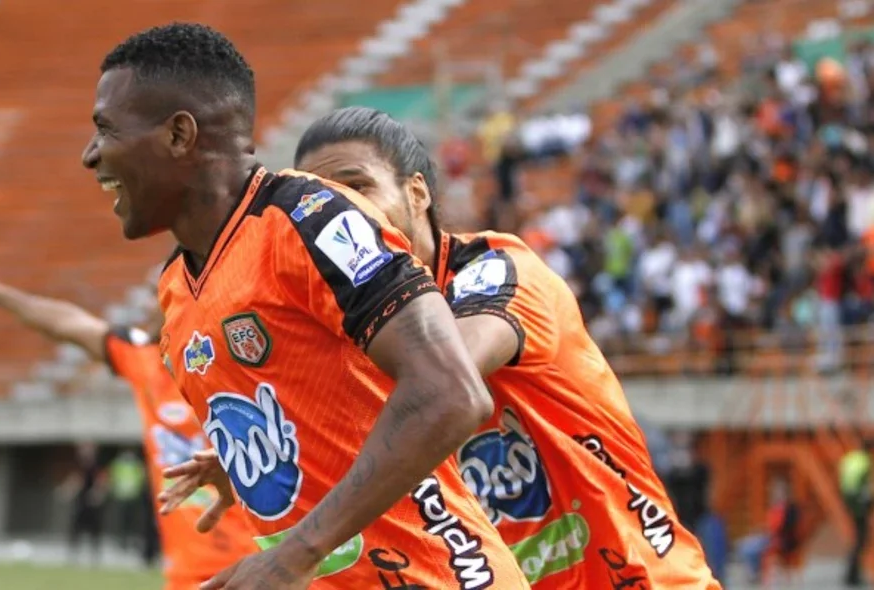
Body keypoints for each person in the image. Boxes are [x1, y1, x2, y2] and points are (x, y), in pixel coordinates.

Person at [83, 23, 528, 589]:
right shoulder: (176, 285)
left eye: (105, 129)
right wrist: (255, 469)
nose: (90, 155)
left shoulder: (310, 218)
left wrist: (295, 553)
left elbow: (450, 393)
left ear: (178, 135)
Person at [289, 106, 721, 588]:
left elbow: (443, 377)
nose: (343, 215)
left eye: (358, 187)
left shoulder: (498, 269)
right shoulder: (354, 329)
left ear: (416, 193)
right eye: (323, 203)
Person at [0, 255, 258, 587]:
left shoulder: (232, 361)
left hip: (253, 566)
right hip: (186, 575)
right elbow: (67, 323)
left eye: (157, 294)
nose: (149, 306)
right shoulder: (144, 360)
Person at [63, 442, 108, 565]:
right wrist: (68, 491)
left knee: (94, 530)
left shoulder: (98, 465)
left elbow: (102, 480)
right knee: (76, 528)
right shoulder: (79, 465)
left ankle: (95, 557)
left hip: (93, 502)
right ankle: (73, 555)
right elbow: (75, 480)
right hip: (81, 501)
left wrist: (98, 493)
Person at [841, 439, 873, 586]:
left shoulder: (850, 458)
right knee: (862, 538)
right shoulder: (864, 462)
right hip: (859, 503)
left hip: (848, 499)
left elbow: (845, 479)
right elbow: (864, 485)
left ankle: (852, 573)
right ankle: (852, 574)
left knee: (859, 539)